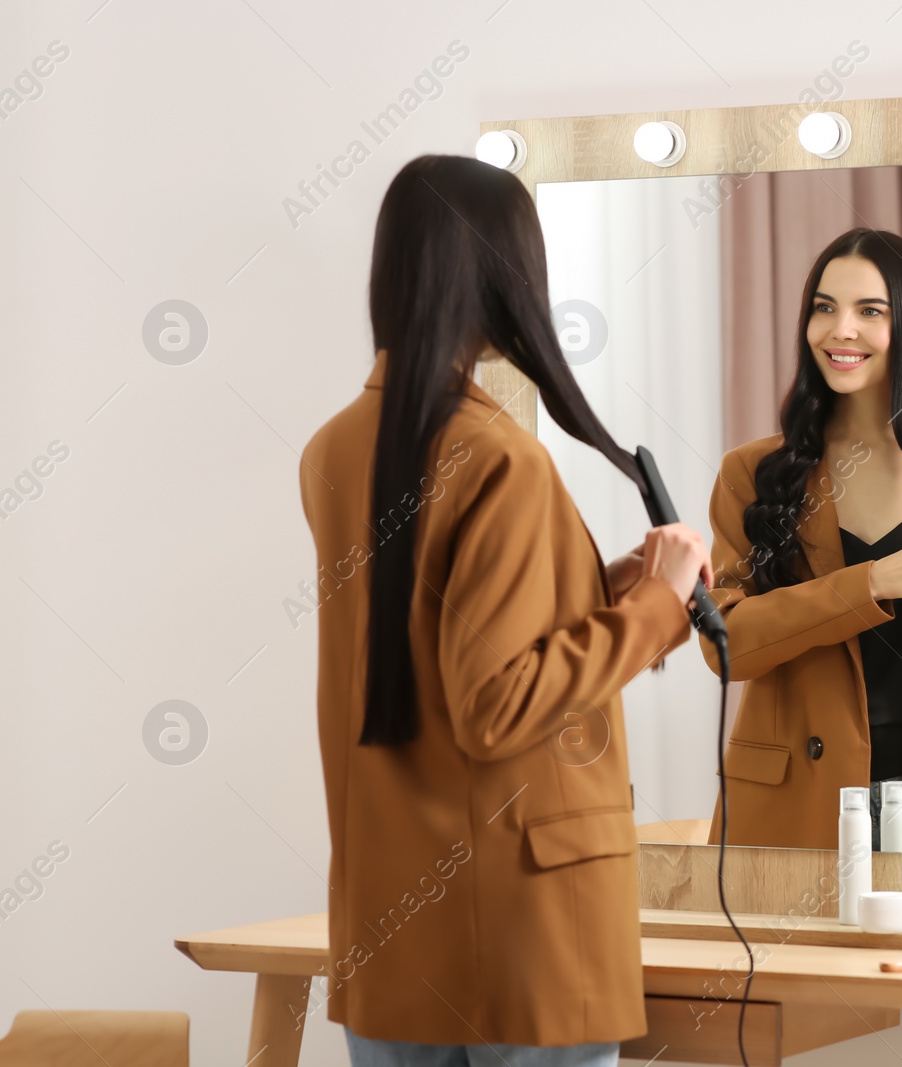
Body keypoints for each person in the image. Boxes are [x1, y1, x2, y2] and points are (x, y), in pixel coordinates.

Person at [298, 154, 712, 1066]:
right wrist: (655, 608)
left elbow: (431, 638)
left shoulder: (334, 449)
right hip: (531, 925)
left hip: (394, 920)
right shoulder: (499, 458)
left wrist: (602, 586)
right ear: (495, 274)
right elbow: (495, 704)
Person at [699, 227, 902, 852]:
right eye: (824, 307)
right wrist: (870, 584)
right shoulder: (753, 472)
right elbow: (725, 647)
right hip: (796, 804)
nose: (838, 330)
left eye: (869, 311)